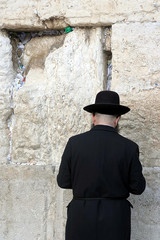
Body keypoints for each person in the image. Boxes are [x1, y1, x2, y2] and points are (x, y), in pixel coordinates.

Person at [57, 90, 146, 240]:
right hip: (115, 220)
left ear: (93, 117)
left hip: (81, 218)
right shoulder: (129, 147)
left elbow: (63, 181)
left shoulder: (74, 143)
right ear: (117, 119)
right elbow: (138, 188)